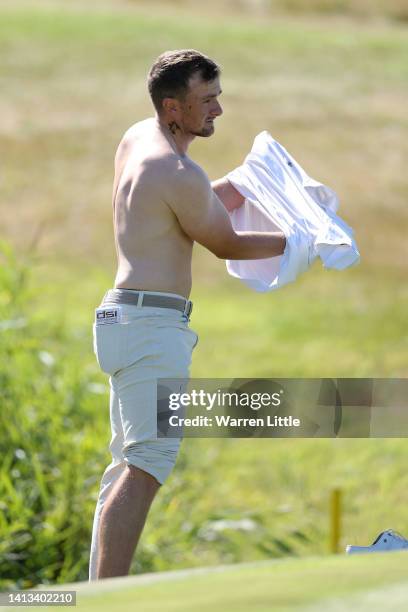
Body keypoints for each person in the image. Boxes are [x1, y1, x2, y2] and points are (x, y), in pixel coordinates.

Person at [89, 49, 286, 581]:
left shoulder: (140, 138)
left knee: (125, 468)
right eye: (207, 100)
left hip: (125, 319)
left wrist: (242, 185)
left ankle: (97, 593)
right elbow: (224, 241)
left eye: (219, 96)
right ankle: (110, 599)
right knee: (148, 463)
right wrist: (299, 243)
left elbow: (189, 212)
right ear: (173, 108)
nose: (218, 110)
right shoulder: (175, 168)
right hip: (151, 326)